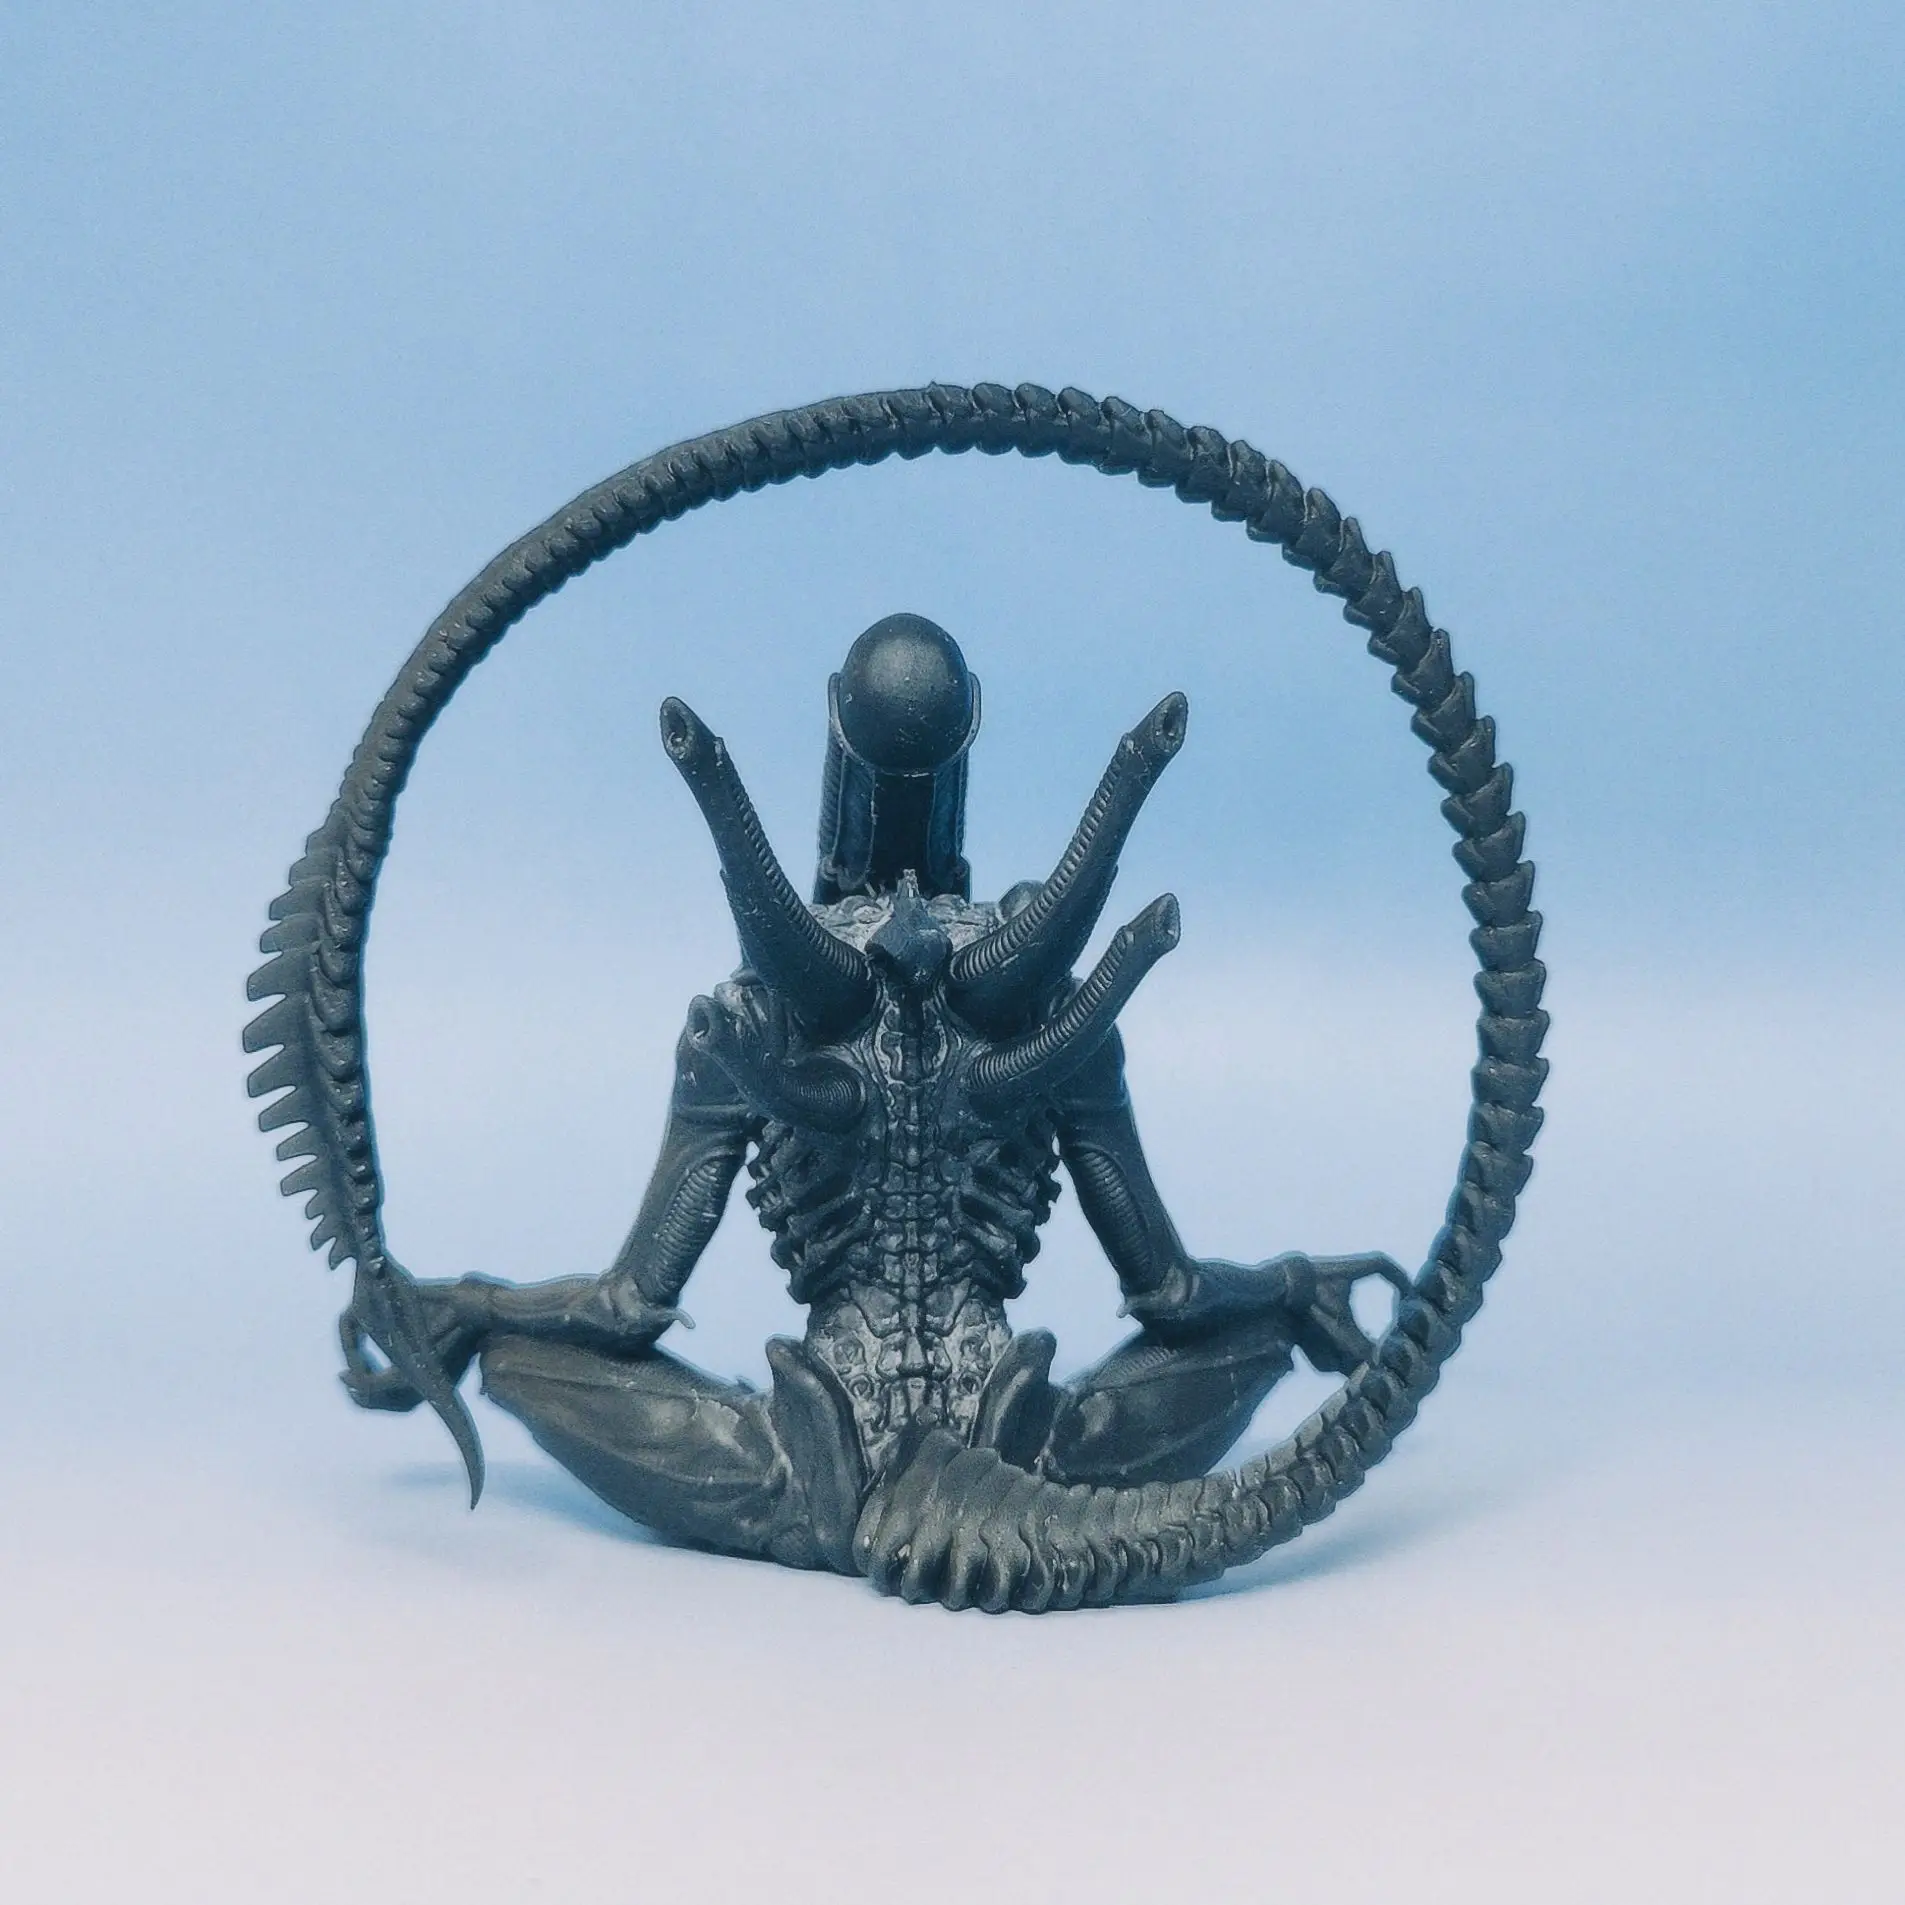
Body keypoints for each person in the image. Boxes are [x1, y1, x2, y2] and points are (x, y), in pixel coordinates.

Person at [343, 614, 1405, 1573]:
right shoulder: (1041, 1007)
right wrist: (1287, 1289)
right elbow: (1170, 1291)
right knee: (1249, 1343)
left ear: (832, 731)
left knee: (521, 1363)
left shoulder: (748, 1015)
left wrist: (478, 1310)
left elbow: (626, 1305)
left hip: (809, 1468)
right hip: (1025, 1441)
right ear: (971, 731)